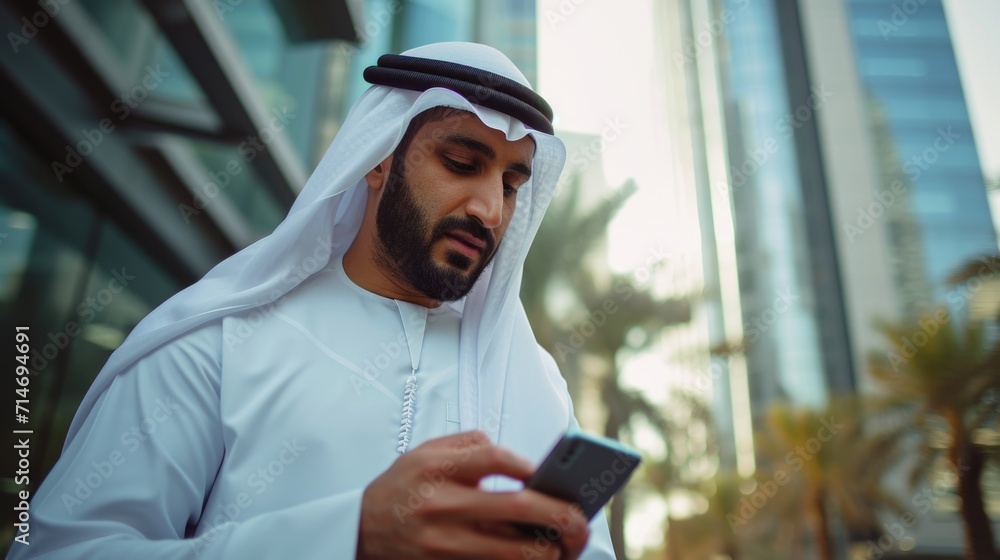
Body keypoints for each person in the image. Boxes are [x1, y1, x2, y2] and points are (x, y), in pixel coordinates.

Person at [8, 42, 617, 559]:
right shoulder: (221, 339)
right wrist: (343, 537)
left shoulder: (535, 383)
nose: (489, 209)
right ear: (379, 157)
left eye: (512, 185)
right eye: (461, 163)